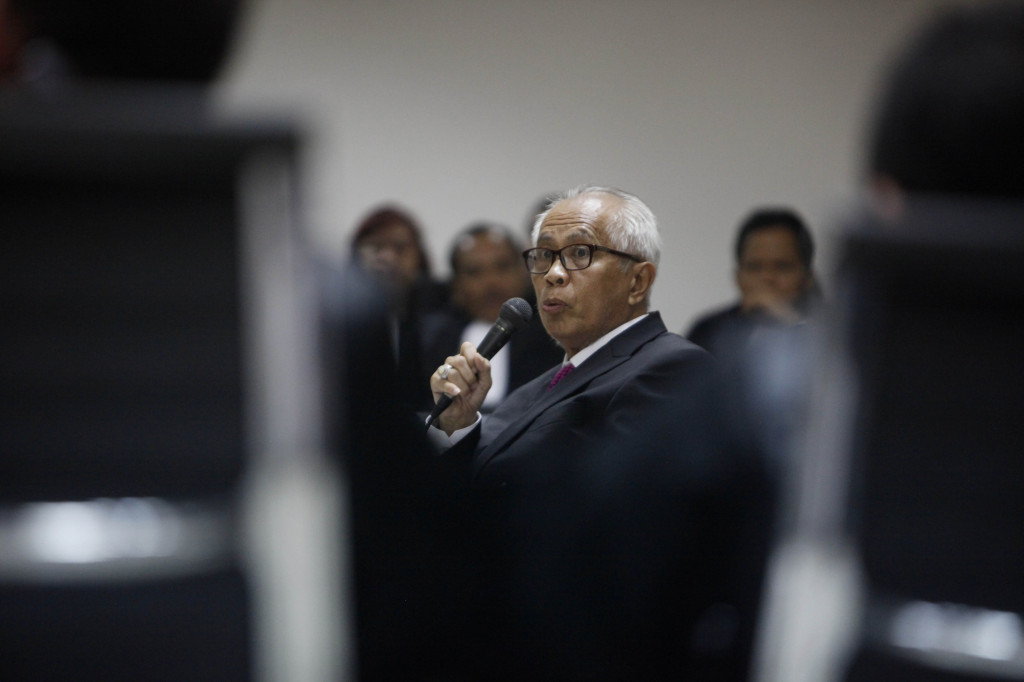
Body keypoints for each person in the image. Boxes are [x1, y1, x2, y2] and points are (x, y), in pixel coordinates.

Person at [426, 186, 772, 681]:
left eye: (580, 254)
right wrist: (460, 427)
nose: (553, 274)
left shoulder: (670, 368)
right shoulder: (543, 383)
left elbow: (588, 517)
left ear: (638, 281)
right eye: (543, 257)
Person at [419, 221, 563, 413]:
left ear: (524, 272)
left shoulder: (554, 335)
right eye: (474, 272)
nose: (491, 282)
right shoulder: (430, 339)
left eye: (503, 266)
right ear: (456, 286)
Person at [684, 207, 819, 361]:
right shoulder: (709, 332)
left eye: (782, 267)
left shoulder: (833, 332)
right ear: (738, 277)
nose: (767, 277)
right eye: (754, 267)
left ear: (808, 277)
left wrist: (788, 323)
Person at [349, 204, 446, 411]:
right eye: (376, 248)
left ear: (419, 256)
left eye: (400, 248)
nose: (388, 258)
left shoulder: (446, 307)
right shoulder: (339, 320)